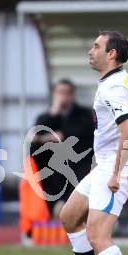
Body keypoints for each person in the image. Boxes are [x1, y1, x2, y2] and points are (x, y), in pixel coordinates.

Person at [58, 31, 128, 255]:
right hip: (106, 162)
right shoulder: (115, 81)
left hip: (119, 163)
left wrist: (116, 172)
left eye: (96, 46)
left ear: (112, 54)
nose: (90, 50)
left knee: (97, 233)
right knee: (69, 217)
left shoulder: (115, 86)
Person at [32, 79, 95, 216]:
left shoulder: (84, 114)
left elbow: (79, 135)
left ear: (72, 96)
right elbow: (36, 137)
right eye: (60, 92)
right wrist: (53, 113)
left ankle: (67, 207)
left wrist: (52, 138)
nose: (63, 97)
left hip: (78, 167)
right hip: (53, 171)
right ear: (54, 94)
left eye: (67, 93)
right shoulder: (45, 117)